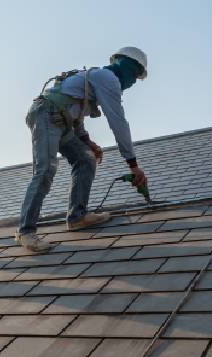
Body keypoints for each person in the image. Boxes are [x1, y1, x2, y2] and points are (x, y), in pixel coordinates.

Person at [15, 46, 150, 252]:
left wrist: (87, 143)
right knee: (45, 170)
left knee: (86, 159)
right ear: (129, 68)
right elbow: (118, 121)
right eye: (135, 76)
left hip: (60, 119)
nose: (132, 83)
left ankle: (77, 217)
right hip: (46, 115)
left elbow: (73, 113)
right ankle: (26, 232)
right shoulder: (108, 78)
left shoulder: (96, 78)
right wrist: (133, 164)